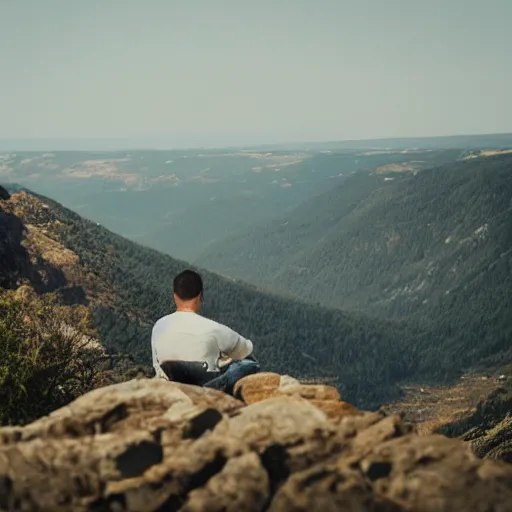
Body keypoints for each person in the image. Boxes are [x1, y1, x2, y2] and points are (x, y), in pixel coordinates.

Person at [151, 269, 260, 394]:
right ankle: (210, 391)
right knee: (250, 363)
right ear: (199, 296)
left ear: (175, 295)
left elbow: (156, 365)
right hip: (202, 384)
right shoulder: (214, 328)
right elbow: (245, 349)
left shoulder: (158, 326)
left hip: (171, 382)